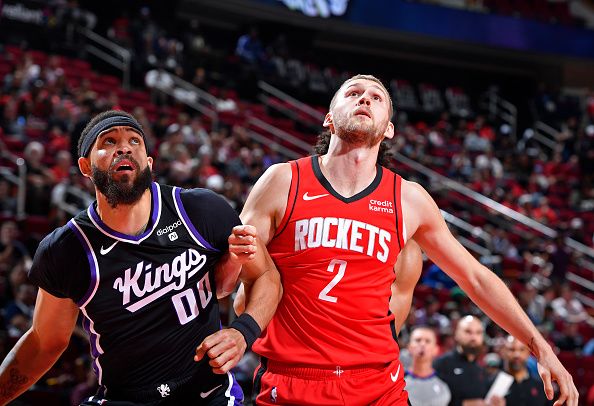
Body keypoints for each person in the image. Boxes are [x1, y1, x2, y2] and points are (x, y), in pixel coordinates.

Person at [238, 74, 578, 405]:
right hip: (294, 379)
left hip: (378, 386)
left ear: (388, 129)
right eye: (353, 92)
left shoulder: (408, 199)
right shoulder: (282, 180)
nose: (365, 98)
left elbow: (474, 277)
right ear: (329, 118)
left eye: (376, 97)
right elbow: (233, 284)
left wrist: (540, 346)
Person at [0, 110, 282, 405]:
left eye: (135, 140)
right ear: (85, 166)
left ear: (149, 162)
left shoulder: (200, 210)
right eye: (108, 142)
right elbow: (45, 343)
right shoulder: (67, 249)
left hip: (207, 395)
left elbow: (266, 275)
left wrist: (242, 332)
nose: (124, 147)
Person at [434, 315, 502, 406]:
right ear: (456, 334)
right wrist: (465, 404)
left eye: (478, 333)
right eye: (468, 332)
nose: (473, 338)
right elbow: (432, 400)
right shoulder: (441, 364)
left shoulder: (482, 367)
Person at [405, 326, 451, 406]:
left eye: (427, 341)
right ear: (409, 347)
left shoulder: (445, 382)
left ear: (436, 350)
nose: (422, 344)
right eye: (418, 340)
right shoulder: (398, 380)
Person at [501, 335, 550, 406]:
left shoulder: (541, 385)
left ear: (528, 352)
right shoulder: (494, 383)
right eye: (512, 349)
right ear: (504, 352)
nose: (517, 355)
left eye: (522, 350)